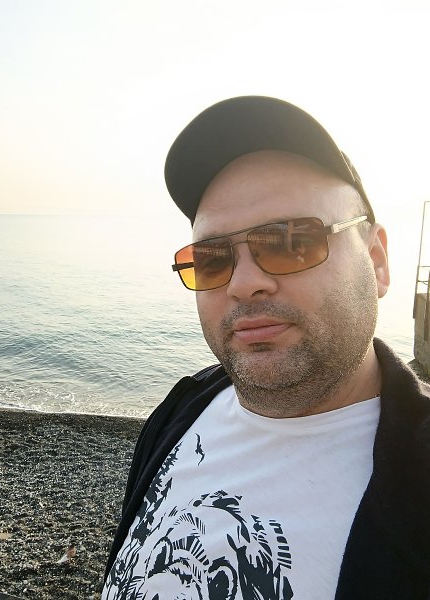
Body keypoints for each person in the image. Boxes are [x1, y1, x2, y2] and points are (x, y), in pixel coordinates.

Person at [102, 97, 430, 599]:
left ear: (377, 261)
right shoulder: (180, 412)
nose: (243, 283)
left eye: (290, 242)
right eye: (212, 258)